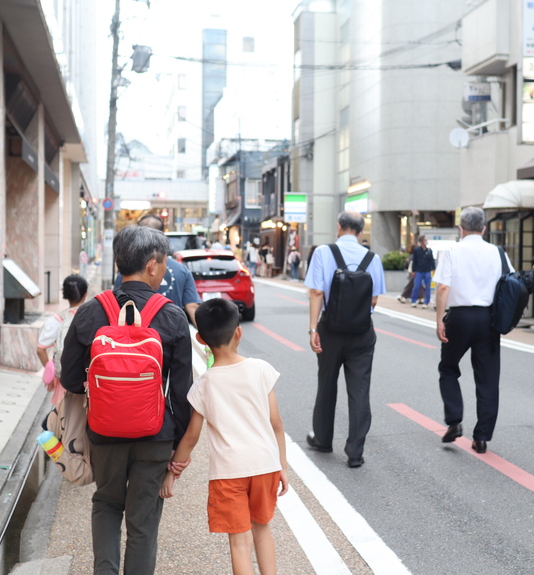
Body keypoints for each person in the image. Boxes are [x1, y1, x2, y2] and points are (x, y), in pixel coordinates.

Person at [61, 225, 194, 575]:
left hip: (104, 433)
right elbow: (182, 394)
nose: (165, 271)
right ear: (152, 265)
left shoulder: (90, 312)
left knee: (106, 503)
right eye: (164, 264)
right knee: (143, 519)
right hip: (156, 436)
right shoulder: (172, 316)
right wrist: (176, 446)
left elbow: (71, 378)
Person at [160, 298, 289, 575]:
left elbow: (191, 438)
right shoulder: (261, 369)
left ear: (201, 339)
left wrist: (173, 472)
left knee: (239, 543)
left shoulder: (205, 383)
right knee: (262, 529)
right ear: (239, 332)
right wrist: (283, 466)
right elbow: (276, 423)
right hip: (265, 465)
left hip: (228, 473)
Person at [303, 211, 385, 468]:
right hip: (362, 332)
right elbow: (373, 300)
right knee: (359, 391)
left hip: (330, 330)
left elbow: (316, 292)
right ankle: (355, 452)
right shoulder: (372, 257)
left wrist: (313, 329)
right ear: (361, 232)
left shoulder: (323, 253)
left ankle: (323, 440)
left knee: (326, 385)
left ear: (338, 227)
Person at [433, 207, 512, 455]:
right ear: (484, 229)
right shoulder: (498, 252)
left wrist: (439, 320)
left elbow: (443, 287)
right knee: (487, 378)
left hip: (459, 317)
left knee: (448, 368)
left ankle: (455, 420)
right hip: (489, 319)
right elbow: (510, 283)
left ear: (460, 228)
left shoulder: (452, 251)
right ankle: (482, 437)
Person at [114, 214, 202, 327]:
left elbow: (116, 304)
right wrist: (208, 339)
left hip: (134, 337)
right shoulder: (181, 270)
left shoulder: (129, 268)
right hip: (172, 331)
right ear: (162, 234)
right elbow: (192, 306)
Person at [36, 274, 88, 405]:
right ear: (85, 294)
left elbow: (40, 349)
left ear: (65, 294)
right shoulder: (91, 317)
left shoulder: (57, 320)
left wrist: (51, 369)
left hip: (64, 378)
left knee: (62, 418)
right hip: (87, 379)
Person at [409, 235, 436, 309]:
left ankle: (426, 301)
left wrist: (433, 269)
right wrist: (414, 270)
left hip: (427, 270)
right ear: (421, 242)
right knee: (416, 286)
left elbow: (432, 260)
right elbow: (414, 261)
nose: (426, 242)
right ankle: (413, 300)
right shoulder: (417, 250)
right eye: (425, 240)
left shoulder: (429, 250)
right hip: (419, 270)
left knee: (428, 287)